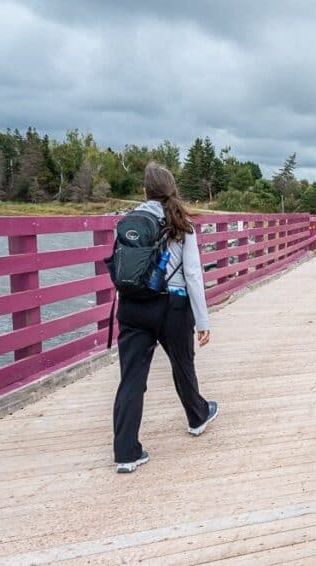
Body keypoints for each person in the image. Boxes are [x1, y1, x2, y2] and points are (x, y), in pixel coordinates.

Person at [113, 162, 218, 473]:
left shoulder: (130, 221)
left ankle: (126, 452)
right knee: (182, 364)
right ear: (173, 191)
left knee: (131, 378)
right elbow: (193, 275)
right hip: (172, 304)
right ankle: (197, 417)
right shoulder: (181, 225)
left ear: (146, 191)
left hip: (132, 305)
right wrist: (203, 321)